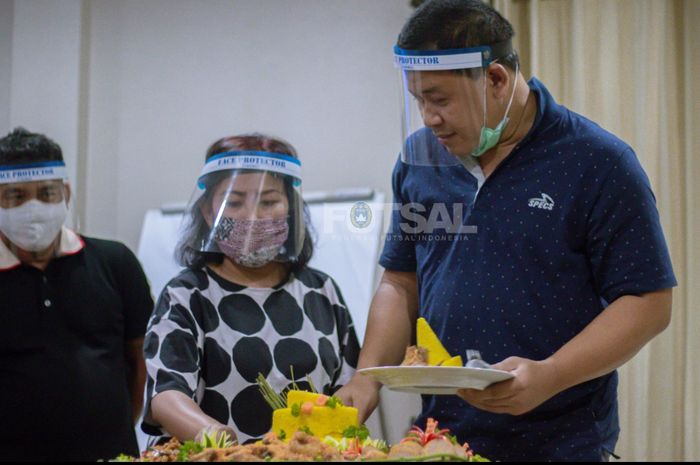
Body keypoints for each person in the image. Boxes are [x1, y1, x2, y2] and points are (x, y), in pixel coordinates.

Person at [336, 0, 676, 461]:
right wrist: (366, 375)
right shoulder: (422, 159)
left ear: (495, 79)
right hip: (442, 436)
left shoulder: (597, 162)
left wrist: (551, 373)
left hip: (562, 440)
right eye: (419, 100)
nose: (428, 119)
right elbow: (401, 281)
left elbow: (648, 302)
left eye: (440, 99)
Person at [142, 134, 360, 445]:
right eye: (233, 202)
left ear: (290, 207)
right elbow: (166, 393)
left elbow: (350, 388)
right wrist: (216, 439)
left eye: (269, 201)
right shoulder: (186, 295)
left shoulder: (321, 291)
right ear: (207, 211)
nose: (253, 216)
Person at [0, 127, 154, 461]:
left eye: (46, 193)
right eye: (16, 195)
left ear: (66, 194)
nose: (33, 207)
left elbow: (139, 358)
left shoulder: (116, 262)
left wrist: (120, 427)